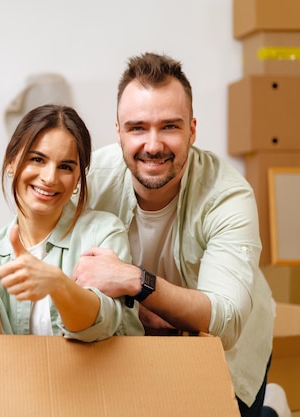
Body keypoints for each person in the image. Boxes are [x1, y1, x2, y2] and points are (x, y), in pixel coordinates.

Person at [71, 52, 289, 417]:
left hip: (223, 349)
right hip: (128, 339)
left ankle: (270, 410)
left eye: (169, 127)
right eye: (137, 127)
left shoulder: (228, 195)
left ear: (192, 130)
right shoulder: (91, 182)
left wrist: (135, 282)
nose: (153, 145)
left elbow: (226, 318)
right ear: (119, 132)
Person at [0, 104, 143, 342]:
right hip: (32, 378)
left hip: (106, 379)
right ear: (12, 162)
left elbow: (98, 325)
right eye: (37, 159)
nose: (50, 178)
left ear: (78, 178)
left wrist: (57, 284)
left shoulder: (103, 232)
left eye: (65, 167)